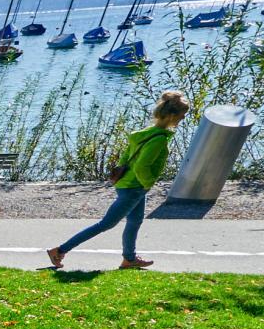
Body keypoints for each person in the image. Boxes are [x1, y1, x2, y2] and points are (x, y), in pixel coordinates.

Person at [48, 90, 190, 271]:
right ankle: (60, 250)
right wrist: (147, 184)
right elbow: (141, 167)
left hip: (129, 184)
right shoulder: (159, 140)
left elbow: (125, 158)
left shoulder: (145, 133)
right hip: (134, 187)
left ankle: (129, 259)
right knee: (106, 224)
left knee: (135, 221)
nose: (183, 119)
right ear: (171, 115)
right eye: (182, 115)